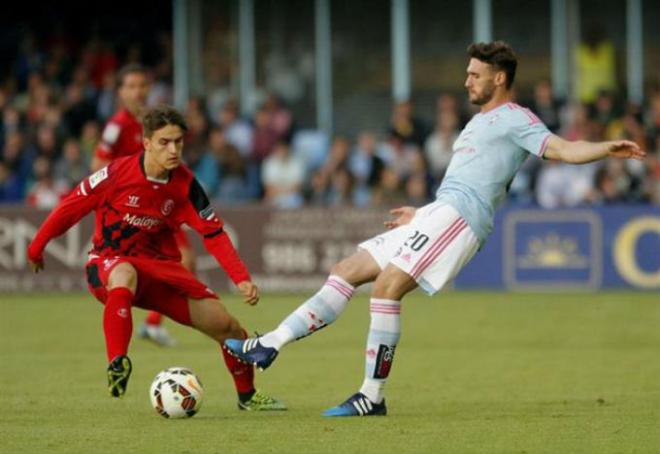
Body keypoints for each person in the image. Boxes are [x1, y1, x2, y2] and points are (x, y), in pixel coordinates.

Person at [225, 41, 645, 416]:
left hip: (461, 219)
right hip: (439, 212)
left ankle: (372, 395)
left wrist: (606, 148)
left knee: (387, 287)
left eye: (474, 75)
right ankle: (271, 344)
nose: (466, 82)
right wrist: (424, 213)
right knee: (347, 268)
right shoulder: (479, 121)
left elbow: (563, 148)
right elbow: (469, 177)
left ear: (499, 79)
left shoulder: (516, 117)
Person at [28, 105, 286, 411]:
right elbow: (71, 206)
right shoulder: (115, 173)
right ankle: (118, 363)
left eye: (178, 141)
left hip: (160, 269)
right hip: (108, 261)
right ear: (146, 142)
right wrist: (37, 245)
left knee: (227, 326)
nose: (173, 149)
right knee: (124, 274)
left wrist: (240, 278)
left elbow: (213, 232)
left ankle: (248, 396)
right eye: (164, 142)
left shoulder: (186, 184)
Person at [92, 63, 189, 347]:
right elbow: (97, 165)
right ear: (121, 92)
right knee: (133, 271)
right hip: (131, 210)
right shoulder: (116, 126)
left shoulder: (155, 121)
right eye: (131, 86)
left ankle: (152, 324)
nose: (137, 91)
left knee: (185, 260)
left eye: (142, 85)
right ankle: (135, 324)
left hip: (159, 205)